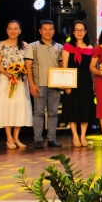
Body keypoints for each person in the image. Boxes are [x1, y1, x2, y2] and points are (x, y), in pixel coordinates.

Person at [0, 20, 32, 149]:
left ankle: (16, 137)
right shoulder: (1, 45)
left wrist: (21, 73)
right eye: (10, 28)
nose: (13, 31)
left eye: (15, 28)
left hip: (21, 80)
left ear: (20, 30)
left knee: (19, 107)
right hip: (7, 79)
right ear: (6, 30)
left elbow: (29, 63)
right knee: (7, 106)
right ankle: (9, 138)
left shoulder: (25, 46)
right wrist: (8, 74)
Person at [26, 20, 63, 149]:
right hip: (39, 84)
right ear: (40, 31)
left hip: (55, 85)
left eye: (50, 29)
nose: (48, 32)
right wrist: (31, 84)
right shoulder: (32, 46)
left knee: (53, 113)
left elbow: (62, 67)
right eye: (45, 29)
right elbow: (28, 68)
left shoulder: (59, 47)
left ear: (54, 31)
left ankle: (52, 138)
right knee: (38, 113)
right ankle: (38, 139)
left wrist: (63, 82)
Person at [61, 21, 95, 148]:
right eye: (77, 30)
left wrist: (93, 83)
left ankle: (83, 136)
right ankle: (75, 135)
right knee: (72, 109)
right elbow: (64, 66)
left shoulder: (90, 48)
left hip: (86, 81)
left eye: (82, 30)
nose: (79, 32)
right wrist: (66, 84)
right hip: (72, 82)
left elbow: (91, 68)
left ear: (85, 32)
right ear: (73, 32)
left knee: (85, 109)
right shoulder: (67, 47)